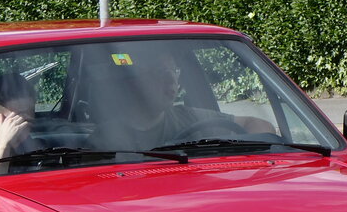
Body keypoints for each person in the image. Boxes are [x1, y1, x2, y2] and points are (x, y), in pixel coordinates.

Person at [93, 48, 274, 151]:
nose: (172, 81)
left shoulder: (189, 118)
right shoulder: (105, 138)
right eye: (160, 72)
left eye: (174, 71)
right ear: (136, 82)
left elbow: (259, 125)